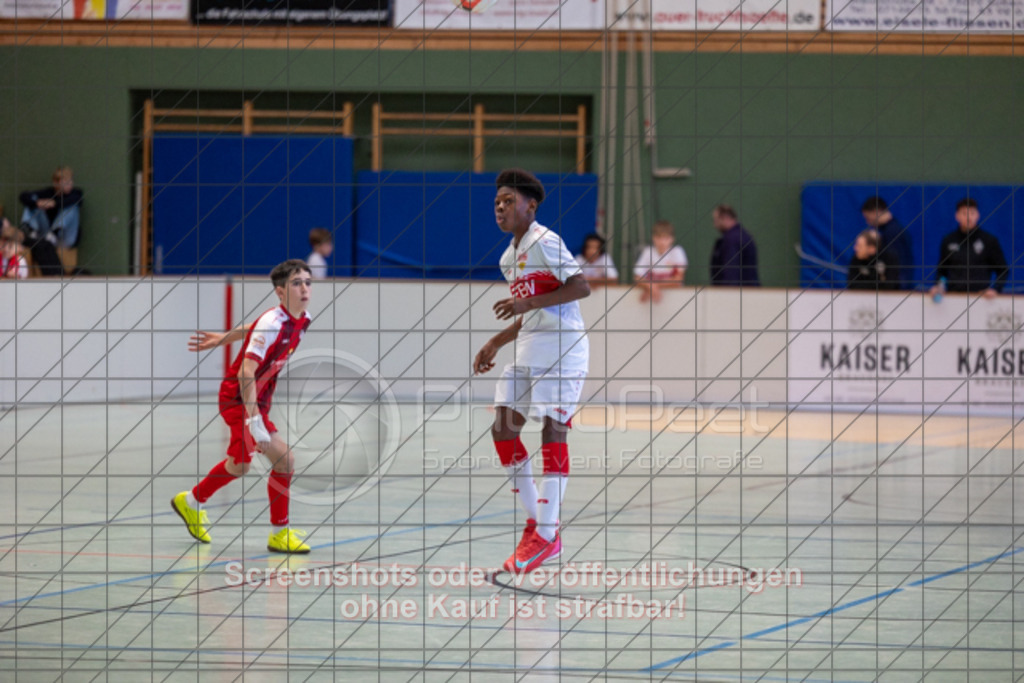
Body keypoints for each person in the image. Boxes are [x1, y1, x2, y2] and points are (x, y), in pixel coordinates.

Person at [472, 168, 591, 574]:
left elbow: (580, 287)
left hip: (563, 347)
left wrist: (526, 305)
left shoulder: (546, 241)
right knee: (503, 427)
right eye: (496, 203)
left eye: (508, 201)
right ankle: (537, 525)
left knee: (552, 430)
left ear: (530, 206)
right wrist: (495, 341)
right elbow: (528, 313)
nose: (500, 208)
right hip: (529, 347)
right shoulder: (510, 257)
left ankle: (546, 532)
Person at [172, 259, 314, 554]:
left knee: (243, 465)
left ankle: (191, 501)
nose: (304, 289)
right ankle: (279, 533)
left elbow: (254, 327)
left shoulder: (302, 319)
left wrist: (225, 337)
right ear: (280, 291)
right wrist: (253, 421)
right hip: (239, 399)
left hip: (256, 400)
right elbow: (245, 371)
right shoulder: (273, 324)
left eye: (307, 282)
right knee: (281, 460)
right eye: (296, 283)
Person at [928, 198, 1008, 299]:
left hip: (981, 299)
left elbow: (1003, 270)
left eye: (972, 213)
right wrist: (939, 286)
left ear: (978, 215)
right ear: (957, 216)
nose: (968, 217)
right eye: (964, 213)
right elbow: (942, 270)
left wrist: (996, 289)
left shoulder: (989, 241)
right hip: (954, 298)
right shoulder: (948, 240)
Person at [19, 165, 83, 276]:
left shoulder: (76, 193)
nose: (70, 185)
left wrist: (54, 203)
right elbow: (23, 196)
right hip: (46, 235)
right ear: (56, 183)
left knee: (72, 207)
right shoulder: (49, 192)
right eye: (65, 182)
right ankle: (30, 230)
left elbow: (76, 199)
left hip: (65, 237)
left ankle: (55, 232)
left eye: (70, 181)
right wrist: (37, 203)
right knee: (32, 201)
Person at [861, 196, 913, 290]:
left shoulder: (892, 233)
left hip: (897, 289)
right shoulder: (887, 230)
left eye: (868, 218)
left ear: (876, 212)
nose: (868, 223)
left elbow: (897, 265)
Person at [633, 219, 687, 303]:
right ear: (653, 238)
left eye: (666, 238)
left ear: (672, 239)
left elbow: (678, 280)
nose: (662, 242)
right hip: (651, 302)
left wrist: (651, 287)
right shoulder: (648, 252)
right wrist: (650, 287)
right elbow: (637, 278)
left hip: (675, 299)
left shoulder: (677, 252)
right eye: (658, 237)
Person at [709, 204, 760, 287]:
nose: (715, 225)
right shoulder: (744, 236)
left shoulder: (732, 240)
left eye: (716, 220)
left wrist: (728, 295)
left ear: (725, 218)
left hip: (738, 293)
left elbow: (731, 272)